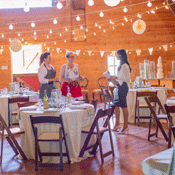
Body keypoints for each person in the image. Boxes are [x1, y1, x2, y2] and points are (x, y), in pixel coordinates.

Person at [108, 49, 131, 134]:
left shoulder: (125, 66)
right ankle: (117, 124)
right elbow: (119, 79)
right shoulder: (120, 65)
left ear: (120, 55)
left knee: (123, 106)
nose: (115, 56)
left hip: (123, 87)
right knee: (116, 105)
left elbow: (127, 79)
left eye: (116, 54)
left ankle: (125, 127)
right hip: (118, 87)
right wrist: (111, 79)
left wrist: (116, 78)